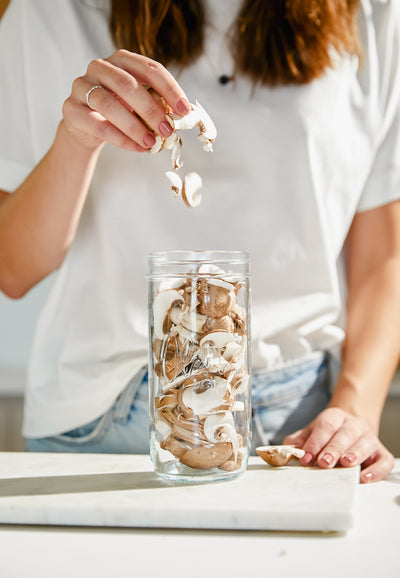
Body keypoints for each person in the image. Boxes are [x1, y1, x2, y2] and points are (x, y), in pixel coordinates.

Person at [0, 0, 399, 483]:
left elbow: (383, 258)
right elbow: (12, 269)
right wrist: (77, 138)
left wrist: (355, 406)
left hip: (298, 423)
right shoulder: (52, 11)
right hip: (99, 414)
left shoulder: (373, 15)